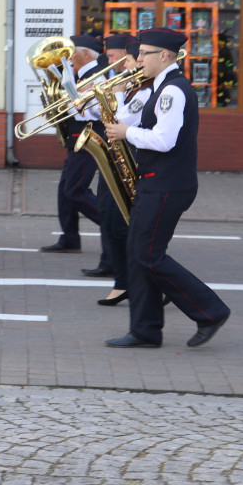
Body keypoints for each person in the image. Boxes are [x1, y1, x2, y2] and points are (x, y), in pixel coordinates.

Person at [103, 28, 230, 348]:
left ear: (164, 56)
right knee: (136, 255)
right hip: (156, 182)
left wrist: (126, 133)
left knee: (148, 255)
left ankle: (209, 310)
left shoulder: (173, 91)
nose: (138, 58)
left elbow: (164, 140)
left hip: (168, 185)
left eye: (144, 53)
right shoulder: (159, 87)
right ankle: (145, 329)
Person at [41, 34, 103, 253]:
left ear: (85, 53)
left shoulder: (98, 76)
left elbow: (98, 112)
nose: (68, 57)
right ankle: (70, 238)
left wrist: (75, 101)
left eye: (72, 52)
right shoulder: (77, 76)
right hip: (76, 138)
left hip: (89, 139)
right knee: (64, 191)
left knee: (75, 190)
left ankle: (117, 225)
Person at [95, 37, 144, 307]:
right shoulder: (129, 88)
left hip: (131, 159)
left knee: (124, 226)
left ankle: (144, 284)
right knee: (109, 219)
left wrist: (116, 91)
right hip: (114, 157)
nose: (122, 64)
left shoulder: (143, 90)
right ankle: (124, 282)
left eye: (128, 59)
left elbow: (121, 121)